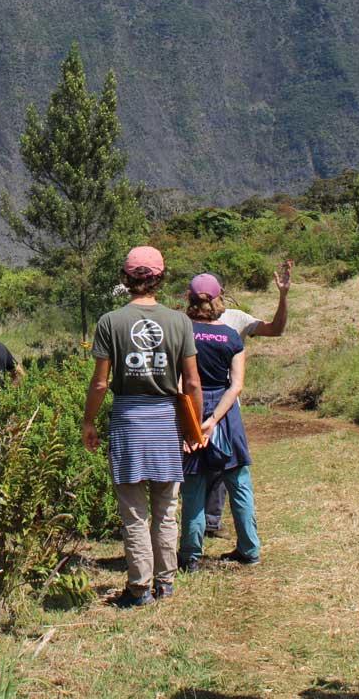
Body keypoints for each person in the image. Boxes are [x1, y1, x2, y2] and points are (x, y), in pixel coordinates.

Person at [82, 245, 202, 607]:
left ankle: (139, 588)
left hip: (128, 422)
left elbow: (101, 383)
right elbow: (192, 383)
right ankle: (166, 583)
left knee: (134, 512)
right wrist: (192, 429)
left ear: (126, 278)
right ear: (160, 278)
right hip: (166, 421)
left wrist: (89, 421)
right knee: (166, 509)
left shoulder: (110, 322)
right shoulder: (180, 322)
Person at [200, 262, 293, 536]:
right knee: (197, 465)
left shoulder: (236, 318)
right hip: (199, 400)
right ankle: (198, 528)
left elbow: (275, 329)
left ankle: (210, 523)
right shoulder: (187, 322)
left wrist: (283, 296)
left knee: (221, 463)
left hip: (226, 403)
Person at [177, 274, 260, 571]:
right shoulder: (231, 336)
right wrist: (214, 420)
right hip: (226, 414)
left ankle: (190, 556)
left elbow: (181, 381)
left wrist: (194, 422)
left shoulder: (183, 332)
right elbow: (236, 385)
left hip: (191, 408)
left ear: (190, 298)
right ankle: (249, 549)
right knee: (238, 481)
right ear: (218, 298)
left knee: (194, 484)